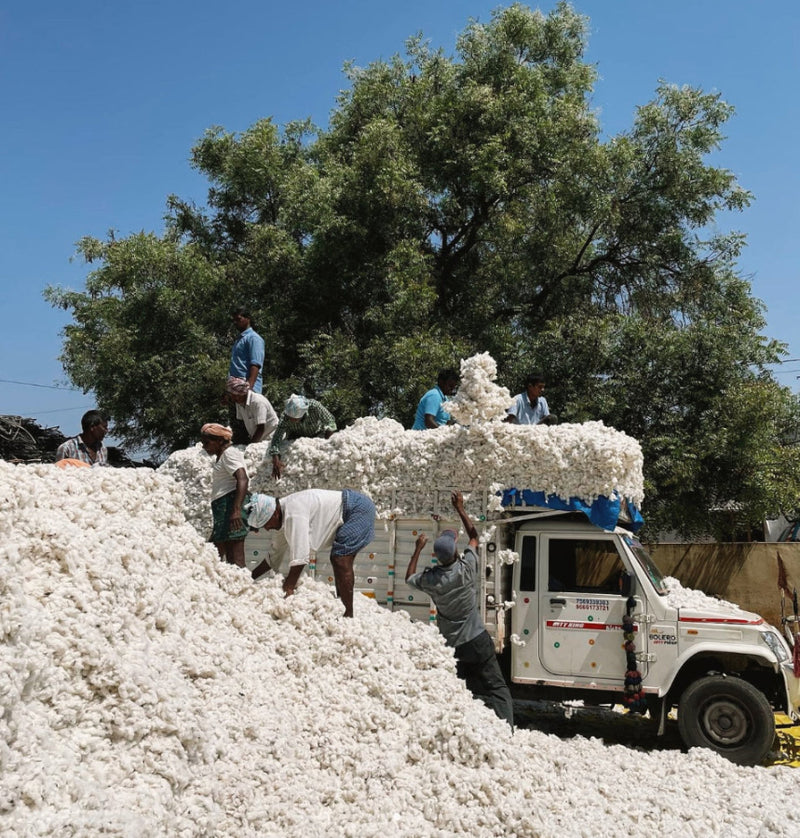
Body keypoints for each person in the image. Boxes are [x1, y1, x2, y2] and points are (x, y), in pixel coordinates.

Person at [405, 491, 514, 727]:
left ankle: (464, 727)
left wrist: (417, 548)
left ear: (437, 557)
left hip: (453, 644)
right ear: (456, 552)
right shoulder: (467, 568)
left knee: (462, 690)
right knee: (496, 687)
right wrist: (460, 508)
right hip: (477, 639)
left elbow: (409, 577)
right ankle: (507, 729)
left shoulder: (432, 580)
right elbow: (474, 536)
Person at [246, 488, 376, 618]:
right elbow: (274, 556)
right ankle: (341, 603)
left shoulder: (293, 513)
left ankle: (348, 614)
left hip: (356, 509)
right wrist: (249, 579)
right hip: (352, 507)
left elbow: (301, 556)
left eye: (265, 525)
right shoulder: (281, 516)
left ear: (273, 514)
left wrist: (289, 587)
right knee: (338, 558)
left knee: (340, 559)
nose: (267, 529)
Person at [200, 422, 250, 568]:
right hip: (223, 507)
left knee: (236, 555)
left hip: (230, 505)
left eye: (207, 442)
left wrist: (236, 510)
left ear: (220, 441)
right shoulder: (222, 455)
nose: (204, 446)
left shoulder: (229, 454)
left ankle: (242, 586)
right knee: (226, 552)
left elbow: (242, 479)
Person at [269, 394, 337, 479]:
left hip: (317, 435)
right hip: (296, 437)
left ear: (303, 414)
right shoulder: (285, 417)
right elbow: (277, 437)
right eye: (290, 418)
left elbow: (330, 422)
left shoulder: (315, 406)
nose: (291, 420)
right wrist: (276, 459)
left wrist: (327, 445)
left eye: (295, 419)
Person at [225, 376, 279, 443]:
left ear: (241, 394)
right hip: (258, 439)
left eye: (235, 396)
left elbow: (261, 428)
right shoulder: (239, 402)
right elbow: (241, 424)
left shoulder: (258, 402)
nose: (233, 399)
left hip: (271, 439)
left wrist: (251, 445)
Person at [230, 307, 266, 394]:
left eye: (238, 319)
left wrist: (249, 387)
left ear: (248, 319)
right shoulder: (239, 340)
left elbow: (256, 364)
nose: (236, 323)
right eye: (234, 320)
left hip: (249, 389)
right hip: (237, 390)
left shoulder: (253, 338)